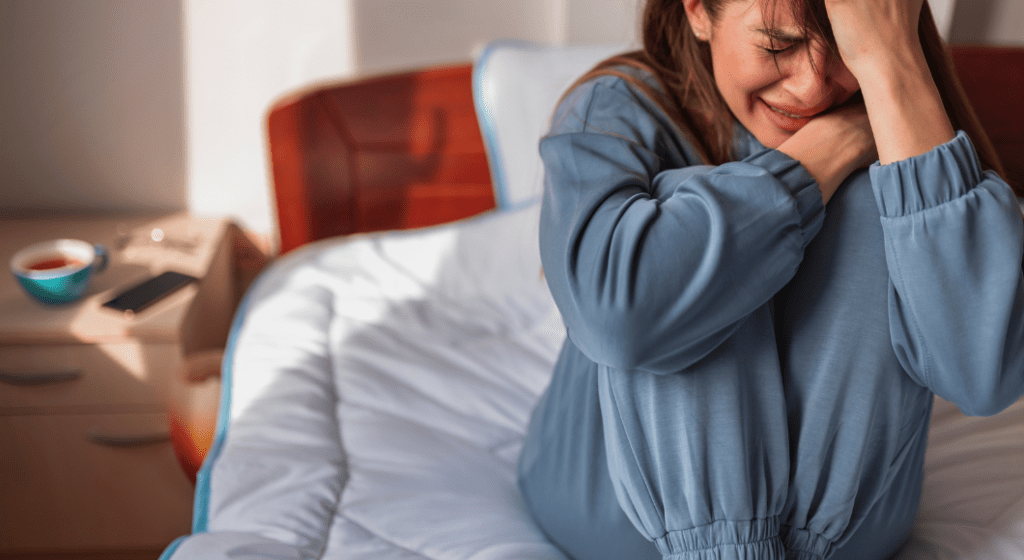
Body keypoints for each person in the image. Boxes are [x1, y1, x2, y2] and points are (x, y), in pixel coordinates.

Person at [516, 0, 1024, 559]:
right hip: (607, 512)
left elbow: (984, 374)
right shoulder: (617, 109)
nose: (812, 89)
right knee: (674, 235)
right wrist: (827, 150)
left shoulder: (900, 111)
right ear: (697, 11)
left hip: (841, 537)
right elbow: (621, 316)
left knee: (871, 203)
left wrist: (889, 65)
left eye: (848, 51)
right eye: (778, 46)